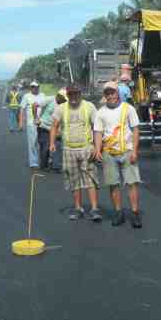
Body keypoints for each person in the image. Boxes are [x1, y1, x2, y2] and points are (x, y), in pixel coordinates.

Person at [93, 80, 142, 228]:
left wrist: (134, 150)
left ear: (117, 93)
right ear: (105, 95)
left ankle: (134, 214)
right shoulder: (101, 112)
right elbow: (98, 132)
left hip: (127, 151)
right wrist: (97, 149)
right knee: (113, 184)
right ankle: (118, 213)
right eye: (107, 93)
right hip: (109, 153)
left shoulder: (128, 109)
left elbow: (135, 130)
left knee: (131, 183)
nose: (110, 96)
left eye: (112, 92)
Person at [50, 84, 101, 222]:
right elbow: (54, 126)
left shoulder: (89, 107)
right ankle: (78, 209)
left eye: (76, 94)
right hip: (68, 149)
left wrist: (97, 148)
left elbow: (97, 127)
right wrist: (52, 143)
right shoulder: (61, 109)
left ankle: (95, 209)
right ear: (67, 95)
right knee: (74, 181)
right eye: (71, 94)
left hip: (86, 148)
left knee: (90, 179)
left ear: (80, 94)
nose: (73, 97)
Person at [18, 81, 47, 170]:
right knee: (33, 143)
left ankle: (44, 162)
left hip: (43, 123)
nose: (35, 88)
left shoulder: (43, 95)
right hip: (31, 124)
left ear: (39, 87)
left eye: (36, 86)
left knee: (44, 143)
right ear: (30, 88)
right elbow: (22, 109)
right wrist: (21, 122)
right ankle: (33, 163)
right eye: (33, 87)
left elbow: (48, 106)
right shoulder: (27, 96)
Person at [37, 89, 61, 171]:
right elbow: (35, 105)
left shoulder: (64, 103)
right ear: (58, 95)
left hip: (55, 129)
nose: (62, 99)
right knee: (45, 147)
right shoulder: (50, 99)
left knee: (57, 146)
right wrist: (36, 118)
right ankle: (43, 165)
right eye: (61, 97)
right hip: (44, 127)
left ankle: (56, 166)